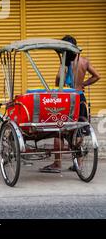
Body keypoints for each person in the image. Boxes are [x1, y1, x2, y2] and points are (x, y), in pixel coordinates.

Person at [40, 35, 100, 173]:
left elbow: (58, 79)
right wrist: (83, 83)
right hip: (80, 98)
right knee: (78, 131)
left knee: (59, 131)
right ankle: (78, 164)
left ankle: (57, 163)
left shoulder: (66, 63)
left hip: (67, 100)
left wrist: (60, 75)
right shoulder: (84, 61)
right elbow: (97, 76)